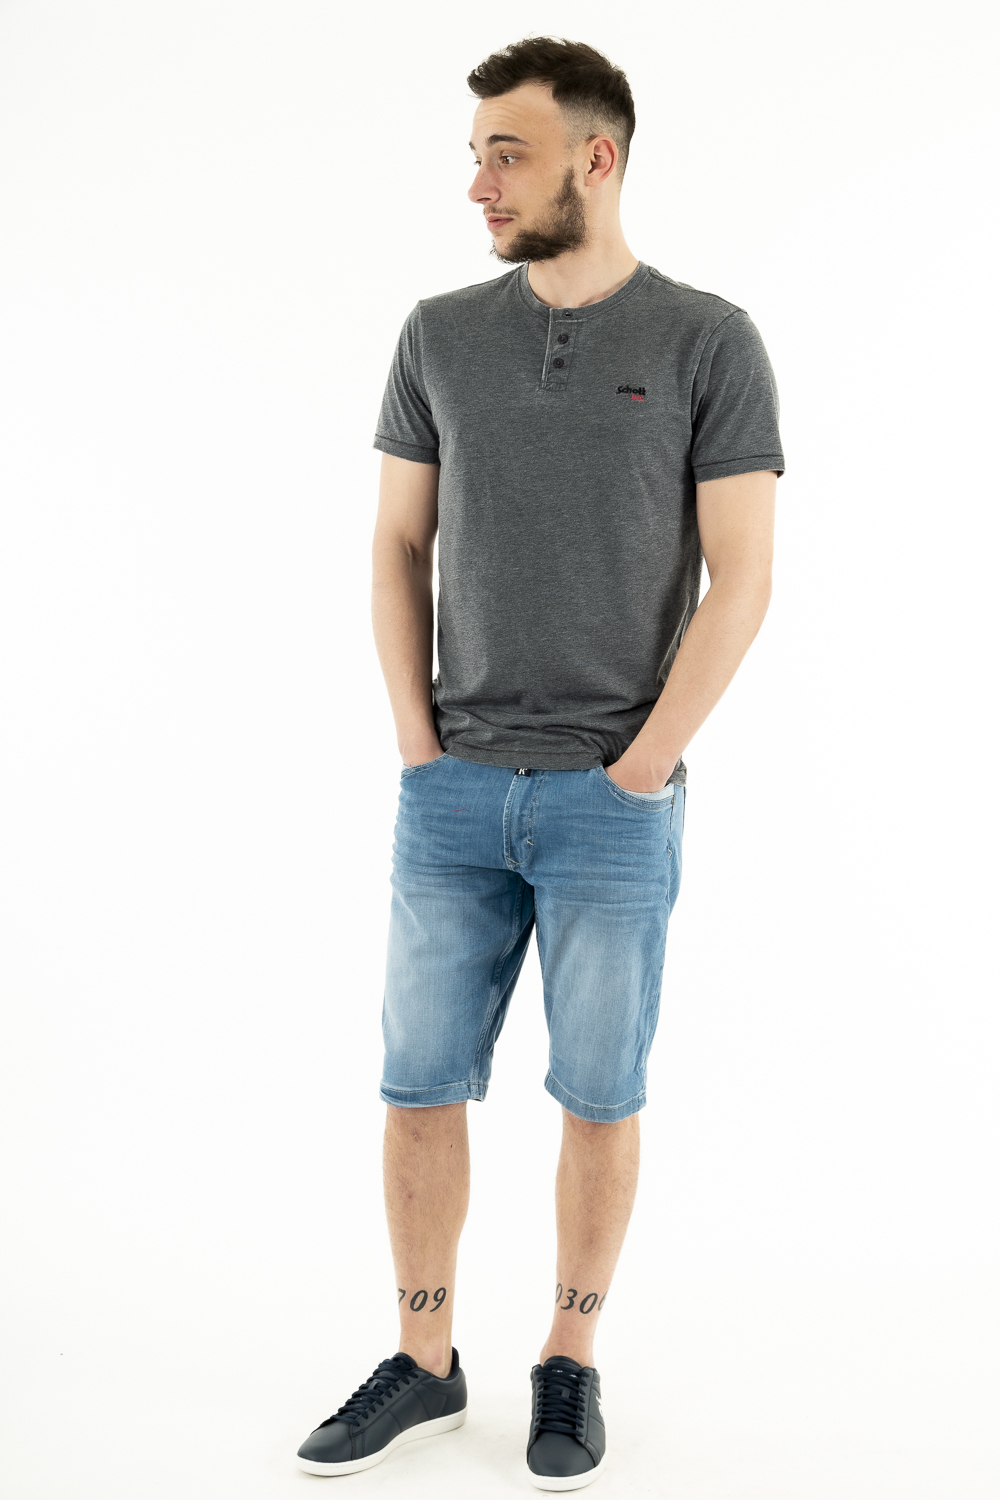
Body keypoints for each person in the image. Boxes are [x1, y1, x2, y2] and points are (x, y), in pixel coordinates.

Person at [296, 35, 784, 1492]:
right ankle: (425, 1360)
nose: (479, 185)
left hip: (612, 801)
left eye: (505, 154)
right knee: (417, 1083)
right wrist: (418, 744)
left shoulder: (709, 341)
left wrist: (642, 769)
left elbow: (744, 578)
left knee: (598, 1094)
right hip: (451, 787)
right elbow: (397, 542)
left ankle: (568, 1360)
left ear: (597, 157)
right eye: (474, 157)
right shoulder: (439, 334)